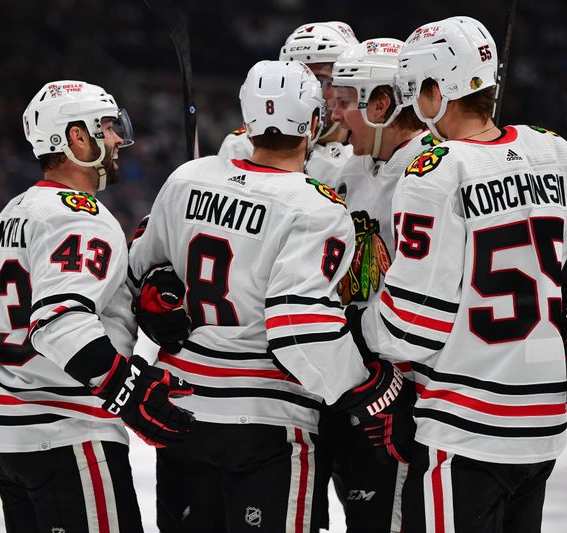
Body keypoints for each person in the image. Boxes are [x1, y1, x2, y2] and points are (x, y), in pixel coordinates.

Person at [353, 17, 567, 531]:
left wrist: (358, 328)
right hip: (541, 428)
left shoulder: (434, 172)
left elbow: (413, 327)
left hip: (463, 430)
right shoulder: (550, 150)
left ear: (437, 91)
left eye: (417, 88)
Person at [129, 60, 414, 533]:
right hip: (268, 424)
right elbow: (298, 329)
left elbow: (139, 273)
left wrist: (154, 295)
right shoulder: (317, 206)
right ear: (313, 122)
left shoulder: (187, 179)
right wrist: (369, 387)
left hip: (180, 411)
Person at [0, 80, 195, 533]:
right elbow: (59, 320)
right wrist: (130, 391)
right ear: (76, 138)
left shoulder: (17, 209)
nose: (119, 138)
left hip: (2, 432)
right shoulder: (79, 215)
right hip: (63, 430)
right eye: (107, 127)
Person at [318, 37, 431, 532]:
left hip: (411, 389)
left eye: (346, 101)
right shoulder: (349, 170)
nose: (337, 116)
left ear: (382, 103)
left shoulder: (435, 171)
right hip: (356, 383)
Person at [218, 21, 359, 190]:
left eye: (320, 81)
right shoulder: (242, 146)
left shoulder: (366, 156)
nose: (310, 94)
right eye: (299, 83)